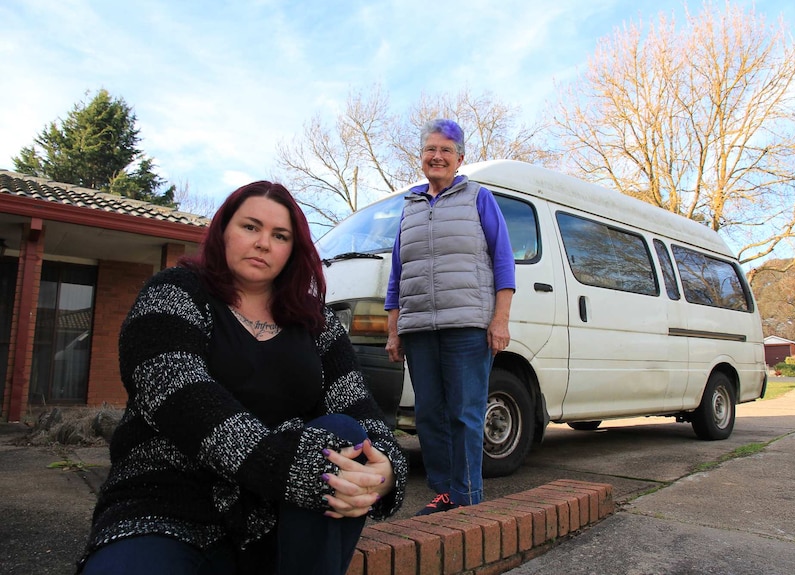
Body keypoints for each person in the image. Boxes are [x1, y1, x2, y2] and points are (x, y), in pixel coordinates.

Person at [77, 181, 408, 575]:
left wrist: (385, 471)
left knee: (345, 434)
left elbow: (361, 410)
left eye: (280, 235)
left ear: (292, 249)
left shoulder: (316, 324)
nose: (264, 243)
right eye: (250, 227)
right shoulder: (173, 294)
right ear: (223, 231)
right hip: (166, 501)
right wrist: (282, 467)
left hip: (280, 513)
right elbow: (176, 391)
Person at [384, 118, 516, 515]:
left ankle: (468, 499)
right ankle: (442, 494)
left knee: (465, 413)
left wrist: (500, 319)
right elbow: (397, 273)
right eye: (430, 149)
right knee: (428, 415)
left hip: (467, 325)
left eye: (446, 150)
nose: (437, 156)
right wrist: (394, 329)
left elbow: (503, 260)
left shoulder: (478, 197)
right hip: (420, 327)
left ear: (460, 158)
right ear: (421, 156)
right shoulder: (409, 207)